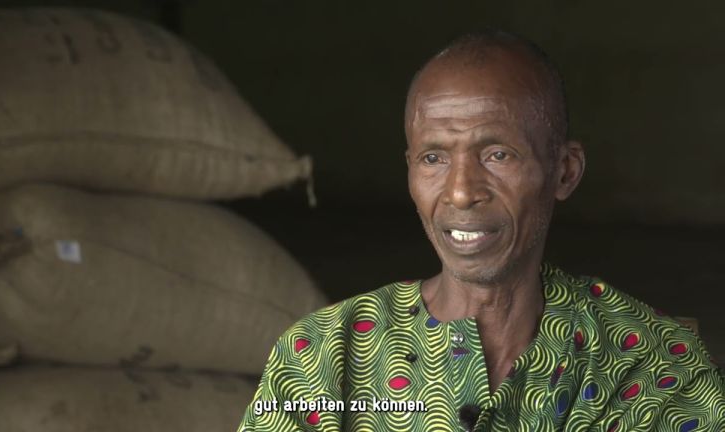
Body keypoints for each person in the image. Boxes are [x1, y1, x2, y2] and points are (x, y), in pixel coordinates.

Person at [237, 30, 725, 431]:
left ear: (564, 171)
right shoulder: (324, 354)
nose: (460, 192)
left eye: (497, 155)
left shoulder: (647, 359)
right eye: (433, 158)